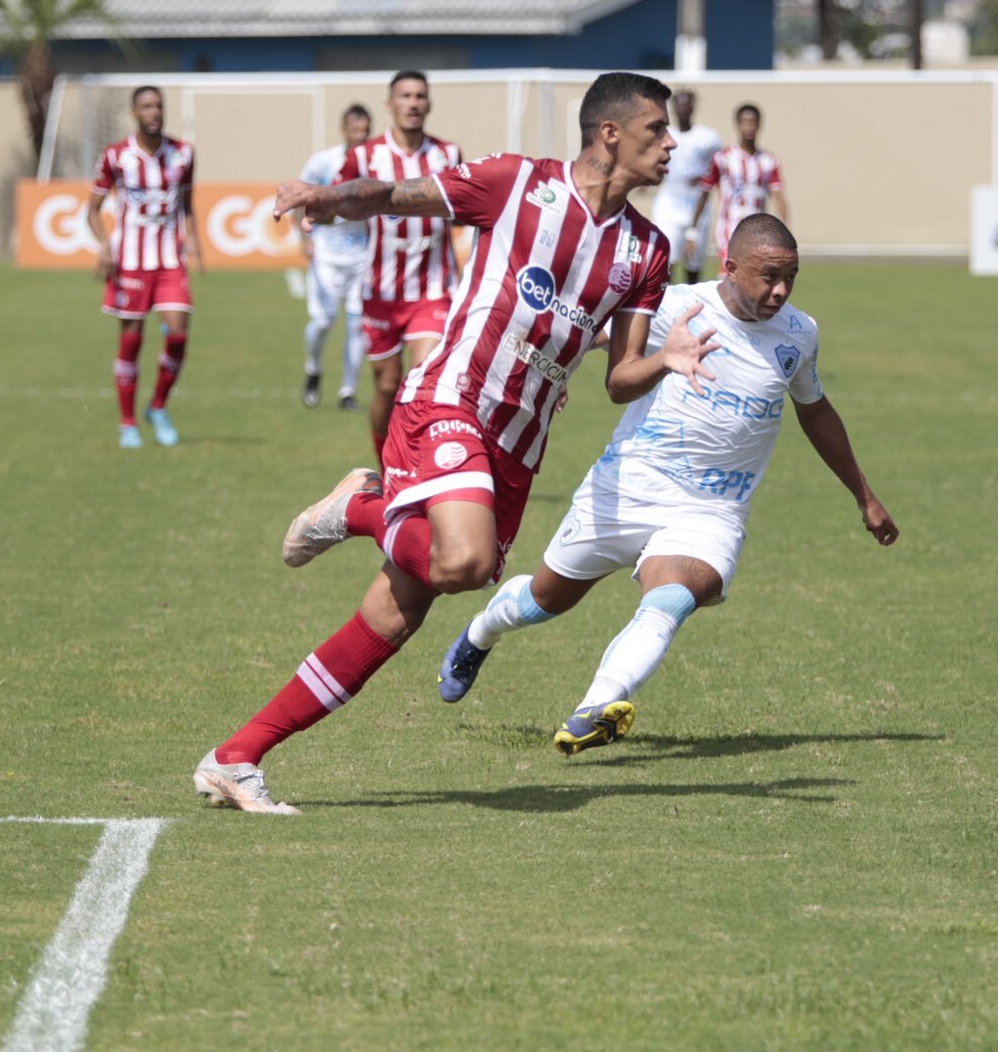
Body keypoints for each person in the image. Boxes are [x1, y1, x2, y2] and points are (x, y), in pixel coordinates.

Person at [192, 71, 704, 815]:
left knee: (398, 616)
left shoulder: (647, 251)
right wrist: (328, 199)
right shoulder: (517, 184)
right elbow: (401, 196)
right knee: (464, 561)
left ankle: (237, 757)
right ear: (610, 134)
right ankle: (366, 507)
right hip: (450, 399)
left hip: (517, 448)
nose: (671, 143)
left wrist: (668, 360)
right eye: (658, 130)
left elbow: (620, 378)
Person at [435, 213, 899, 753]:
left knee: (676, 594)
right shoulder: (676, 306)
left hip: (712, 510)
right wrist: (550, 378)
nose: (780, 291)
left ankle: (597, 705)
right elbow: (584, 336)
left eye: (790, 278)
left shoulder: (799, 334)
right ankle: (481, 633)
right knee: (544, 599)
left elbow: (815, 410)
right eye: (768, 276)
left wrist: (864, 496)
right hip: (627, 486)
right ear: (729, 267)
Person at [336, 70, 464, 461]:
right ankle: (387, 466)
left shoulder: (448, 154)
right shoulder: (365, 155)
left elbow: (464, 210)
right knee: (388, 386)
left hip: (434, 289)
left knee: (424, 379)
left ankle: (422, 468)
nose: (413, 103)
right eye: (405, 96)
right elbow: (338, 197)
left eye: (420, 96)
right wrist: (316, 211)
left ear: (429, 104)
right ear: (390, 105)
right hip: (381, 292)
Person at [85, 85, 202, 450]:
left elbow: (187, 204)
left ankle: (158, 407)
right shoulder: (116, 156)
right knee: (131, 342)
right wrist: (104, 246)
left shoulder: (183, 153)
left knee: (179, 335)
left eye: (159, 106)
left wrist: (195, 242)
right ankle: (127, 423)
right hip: (130, 263)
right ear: (135, 112)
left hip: (169, 261)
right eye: (147, 107)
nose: (154, 112)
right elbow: (91, 209)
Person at [299, 104, 374, 411]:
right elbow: (301, 196)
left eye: (365, 131)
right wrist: (305, 238)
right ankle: (313, 368)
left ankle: (347, 391)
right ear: (343, 129)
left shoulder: (376, 160)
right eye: (355, 130)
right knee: (324, 320)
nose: (360, 135)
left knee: (357, 325)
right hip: (327, 252)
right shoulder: (323, 161)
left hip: (362, 254)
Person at [699, 103, 788, 268]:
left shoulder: (769, 161)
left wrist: (784, 229)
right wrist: (693, 228)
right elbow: (704, 191)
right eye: (744, 122)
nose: (749, 127)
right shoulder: (722, 158)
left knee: (754, 278)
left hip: (758, 228)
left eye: (753, 122)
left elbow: (778, 197)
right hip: (730, 225)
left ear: (760, 125)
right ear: (737, 125)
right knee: (730, 274)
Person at [656, 89, 726, 284]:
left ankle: (690, 301)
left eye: (686, 104)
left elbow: (720, 166)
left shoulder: (708, 137)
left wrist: (703, 177)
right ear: (673, 108)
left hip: (697, 205)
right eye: (679, 104)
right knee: (667, 254)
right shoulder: (665, 135)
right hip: (670, 204)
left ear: (693, 107)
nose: (682, 109)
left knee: (693, 258)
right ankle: (665, 301)